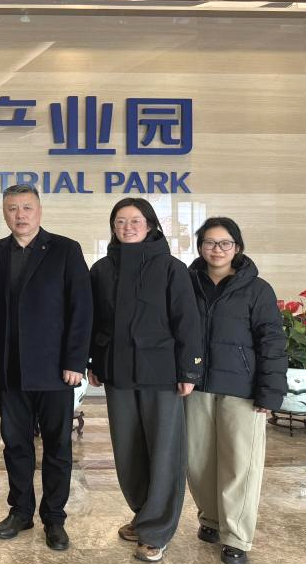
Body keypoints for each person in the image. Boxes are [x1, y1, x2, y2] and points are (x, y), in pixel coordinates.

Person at [88, 197, 203, 562]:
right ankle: (143, 514)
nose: (127, 227)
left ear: (150, 225)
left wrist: (189, 370)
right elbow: (94, 320)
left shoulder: (171, 268)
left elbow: (187, 322)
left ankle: (157, 530)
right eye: (120, 222)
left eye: (135, 221)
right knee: (128, 450)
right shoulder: (102, 269)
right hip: (117, 372)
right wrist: (93, 361)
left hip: (161, 374)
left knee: (164, 451)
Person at [0, 184, 92, 551]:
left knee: (57, 447)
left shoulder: (65, 249)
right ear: (4, 213)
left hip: (55, 370)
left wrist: (75, 361)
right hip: (9, 369)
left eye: (26, 207)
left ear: (39, 211)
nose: (20, 215)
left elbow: (81, 309)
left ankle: (54, 518)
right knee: (16, 445)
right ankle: (21, 511)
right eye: (12, 208)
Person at [185, 217, 287, 564]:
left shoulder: (257, 289)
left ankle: (236, 537)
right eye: (210, 242)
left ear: (237, 247)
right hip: (196, 387)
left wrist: (270, 392)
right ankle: (211, 520)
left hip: (241, 391)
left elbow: (272, 342)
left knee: (239, 465)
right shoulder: (187, 283)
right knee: (198, 461)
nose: (217, 249)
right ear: (200, 246)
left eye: (225, 243)